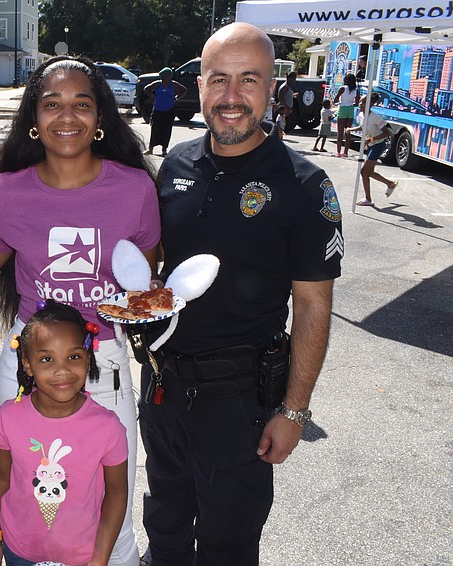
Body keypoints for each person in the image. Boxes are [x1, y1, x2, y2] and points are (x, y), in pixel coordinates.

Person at [140, 23, 342, 565]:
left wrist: (295, 411)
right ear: (200, 85)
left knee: (228, 545)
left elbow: (314, 305)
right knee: (164, 525)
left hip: (241, 405)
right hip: (161, 390)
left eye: (248, 80)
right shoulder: (175, 166)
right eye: (219, 79)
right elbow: (152, 269)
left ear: (272, 86)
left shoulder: (304, 184)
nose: (231, 97)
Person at [0, 54, 159, 566]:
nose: (66, 116)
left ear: (101, 117)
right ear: (33, 120)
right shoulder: (9, 191)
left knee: (109, 501)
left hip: (101, 363)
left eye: (82, 104)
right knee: (26, 493)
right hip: (25, 366)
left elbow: (141, 283)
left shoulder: (133, 188)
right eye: (52, 104)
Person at [0, 299, 127, 566]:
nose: (62, 371)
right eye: (47, 359)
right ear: (27, 364)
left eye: (73, 357)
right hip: (19, 551)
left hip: (82, 557)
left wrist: (100, 559)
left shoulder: (108, 428)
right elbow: (0, 479)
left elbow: (117, 494)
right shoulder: (7, 418)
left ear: (88, 356)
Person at [348, 92, 398, 206]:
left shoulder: (376, 117)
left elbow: (386, 133)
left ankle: (368, 199)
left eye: (364, 102)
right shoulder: (361, 115)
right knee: (369, 172)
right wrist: (350, 130)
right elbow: (362, 127)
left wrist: (370, 140)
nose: (360, 104)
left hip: (378, 145)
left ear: (370, 104)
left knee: (364, 171)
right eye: (360, 101)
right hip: (371, 145)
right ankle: (390, 183)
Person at [142, 67, 188, 156]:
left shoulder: (173, 84)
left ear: (171, 76)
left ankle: (164, 149)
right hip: (158, 109)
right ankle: (150, 148)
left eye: (168, 75)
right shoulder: (157, 84)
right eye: (165, 75)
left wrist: (177, 98)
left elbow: (184, 90)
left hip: (169, 109)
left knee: (166, 129)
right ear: (161, 75)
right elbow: (146, 89)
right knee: (155, 128)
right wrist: (153, 96)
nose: (167, 77)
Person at [333, 73, 358, 158]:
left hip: (343, 108)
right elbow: (357, 103)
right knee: (348, 132)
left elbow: (335, 100)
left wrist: (337, 103)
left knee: (340, 132)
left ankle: (338, 151)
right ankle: (345, 152)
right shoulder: (355, 91)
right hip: (350, 110)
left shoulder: (342, 88)